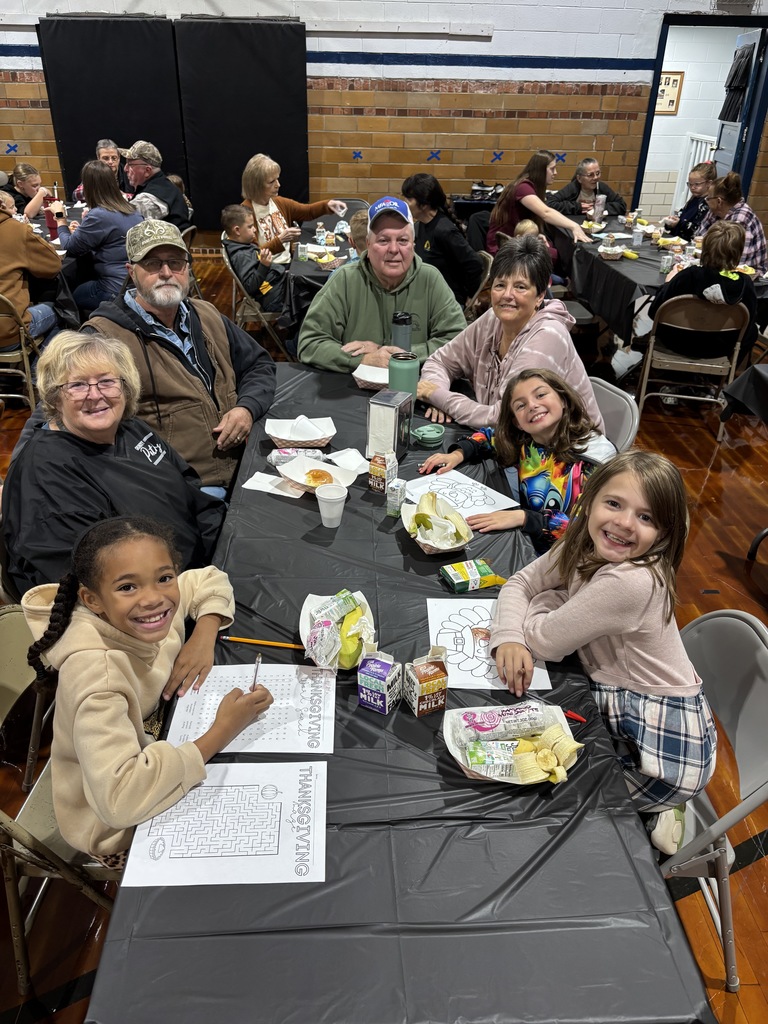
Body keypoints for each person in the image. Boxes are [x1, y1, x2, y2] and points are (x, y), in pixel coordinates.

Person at [490, 450, 717, 855]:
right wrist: (509, 634)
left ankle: (667, 804)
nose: (624, 523)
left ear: (663, 534)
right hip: (620, 710)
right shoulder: (584, 538)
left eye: (646, 518)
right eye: (614, 503)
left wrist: (547, 602)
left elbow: (543, 640)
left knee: (543, 804)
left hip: (663, 753)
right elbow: (522, 581)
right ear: (590, 499)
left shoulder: (630, 582)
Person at [22, 515, 274, 862]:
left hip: (157, 740)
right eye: (128, 587)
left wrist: (205, 632)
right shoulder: (98, 678)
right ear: (92, 600)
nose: (154, 599)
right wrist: (222, 730)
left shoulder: (145, 612)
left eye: (164, 577)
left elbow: (206, 578)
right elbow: (120, 800)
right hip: (113, 828)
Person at [2, 332, 227, 596]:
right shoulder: (46, 475)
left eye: (107, 381)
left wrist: (227, 550)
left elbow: (189, 490)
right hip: (152, 604)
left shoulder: (130, 429)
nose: (95, 395)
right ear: (54, 396)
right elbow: (95, 585)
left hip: (200, 569)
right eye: (77, 385)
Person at [82, 219, 276, 494]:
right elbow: (80, 426)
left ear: (187, 268)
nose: (166, 273)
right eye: (151, 263)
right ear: (131, 272)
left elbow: (259, 364)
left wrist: (246, 408)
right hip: (181, 488)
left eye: (175, 262)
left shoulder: (206, 313)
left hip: (246, 464)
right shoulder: (105, 338)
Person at [419, 369, 616, 553]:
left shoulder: (593, 462)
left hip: (568, 558)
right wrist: (458, 453)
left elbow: (588, 529)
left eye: (540, 395)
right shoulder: (529, 439)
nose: (532, 405)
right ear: (517, 423)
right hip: (529, 542)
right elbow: (491, 438)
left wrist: (523, 517)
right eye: (520, 405)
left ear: (563, 399)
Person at [417, 236, 604, 429]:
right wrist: (436, 395)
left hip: (568, 451)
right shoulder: (493, 318)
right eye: (500, 285)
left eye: (520, 287)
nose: (507, 295)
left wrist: (437, 396)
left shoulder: (548, 336)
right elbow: (440, 361)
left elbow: (504, 418)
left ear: (540, 295)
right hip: (511, 443)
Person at [297, 196, 466, 372]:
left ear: (413, 245)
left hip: (415, 388)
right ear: (368, 245)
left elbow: (459, 343)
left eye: (402, 240)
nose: (394, 249)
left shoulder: (430, 279)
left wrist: (395, 355)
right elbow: (310, 343)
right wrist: (362, 360)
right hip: (352, 391)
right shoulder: (344, 280)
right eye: (383, 240)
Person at [648, 220, 758, 357]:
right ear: (739, 252)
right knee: (753, 331)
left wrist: (668, 283)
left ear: (704, 248)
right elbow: (748, 325)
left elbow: (654, 312)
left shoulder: (689, 276)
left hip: (676, 343)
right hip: (720, 349)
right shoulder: (745, 284)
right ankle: (723, 376)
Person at [48, 160, 143, 313]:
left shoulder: (99, 215)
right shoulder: (131, 209)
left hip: (113, 290)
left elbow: (70, 247)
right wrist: (82, 232)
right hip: (135, 285)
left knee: (67, 297)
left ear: (88, 186)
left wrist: (60, 218)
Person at [241, 153, 347, 267]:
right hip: (269, 271)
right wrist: (280, 240)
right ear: (256, 185)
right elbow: (253, 256)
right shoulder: (245, 213)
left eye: (277, 179)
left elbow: (307, 211)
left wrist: (328, 205)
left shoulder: (278, 202)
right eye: (271, 182)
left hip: (287, 263)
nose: (278, 185)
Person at [486, 150, 591, 257]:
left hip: (517, 239)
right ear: (540, 170)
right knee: (553, 255)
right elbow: (546, 212)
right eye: (552, 169)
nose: (555, 173)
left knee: (552, 250)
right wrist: (574, 226)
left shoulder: (529, 185)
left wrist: (534, 234)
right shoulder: (523, 187)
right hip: (504, 246)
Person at [401, 172, 484, 305]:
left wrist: (471, 296)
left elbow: (474, 263)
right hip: (426, 295)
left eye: (409, 200)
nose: (405, 204)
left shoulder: (444, 230)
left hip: (446, 302)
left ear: (424, 204)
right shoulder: (420, 225)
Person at [0, 191, 61, 348]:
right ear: (2, 205)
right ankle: (40, 371)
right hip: (8, 332)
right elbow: (53, 265)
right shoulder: (15, 229)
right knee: (59, 311)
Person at [698, 171, 767, 274]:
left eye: (708, 198)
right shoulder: (715, 211)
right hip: (719, 267)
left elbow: (735, 263)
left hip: (747, 278)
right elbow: (699, 237)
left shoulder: (741, 220)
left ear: (719, 201)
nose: (706, 201)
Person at [221, 204, 286, 313]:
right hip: (273, 298)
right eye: (250, 226)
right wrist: (264, 266)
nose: (255, 229)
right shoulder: (241, 255)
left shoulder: (243, 244)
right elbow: (250, 286)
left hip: (275, 287)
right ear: (237, 230)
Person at [123, 140, 192, 231]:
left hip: (166, 244)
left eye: (130, 164)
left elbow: (123, 225)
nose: (125, 169)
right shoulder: (167, 186)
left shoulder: (148, 199)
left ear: (147, 170)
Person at [547, 157, 627, 218]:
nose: (595, 178)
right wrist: (577, 207)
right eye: (590, 175)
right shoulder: (573, 188)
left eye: (598, 173)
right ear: (579, 178)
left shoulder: (601, 187)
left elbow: (622, 206)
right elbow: (550, 203)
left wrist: (599, 208)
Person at [663, 161, 717, 241]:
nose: (692, 187)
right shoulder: (694, 199)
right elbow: (682, 217)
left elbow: (696, 230)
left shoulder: (707, 204)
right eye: (690, 184)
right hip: (677, 240)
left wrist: (678, 224)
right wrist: (671, 222)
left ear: (709, 183)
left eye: (697, 184)